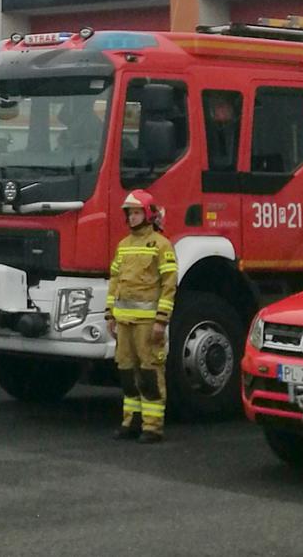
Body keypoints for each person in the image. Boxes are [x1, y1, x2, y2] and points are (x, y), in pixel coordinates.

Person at [106, 190, 177, 444]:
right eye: (130, 213)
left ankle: (152, 426)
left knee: (149, 374)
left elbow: (169, 286)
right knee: (126, 373)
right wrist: (109, 315)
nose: (132, 218)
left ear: (148, 214)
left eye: (136, 212)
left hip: (148, 324)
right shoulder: (123, 246)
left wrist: (161, 321)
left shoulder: (161, 245)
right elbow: (115, 281)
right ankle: (131, 421)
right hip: (123, 322)